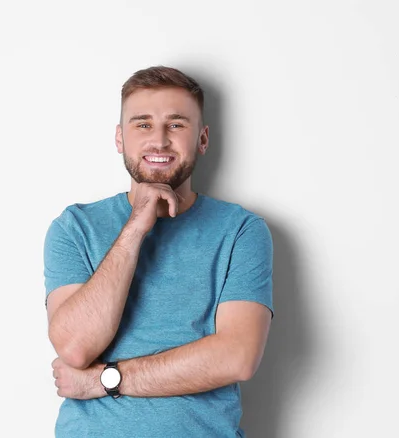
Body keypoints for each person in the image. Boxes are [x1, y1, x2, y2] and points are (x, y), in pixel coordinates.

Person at [43, 65, 274, 437]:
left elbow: (238, 356)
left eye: (177, 124)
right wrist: (136, 227)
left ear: (202, 139)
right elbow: (74, 348)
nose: (160, 140)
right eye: (143, 124)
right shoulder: (75, 228)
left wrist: (106, 380)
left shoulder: (241, 231)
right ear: (120, 138)